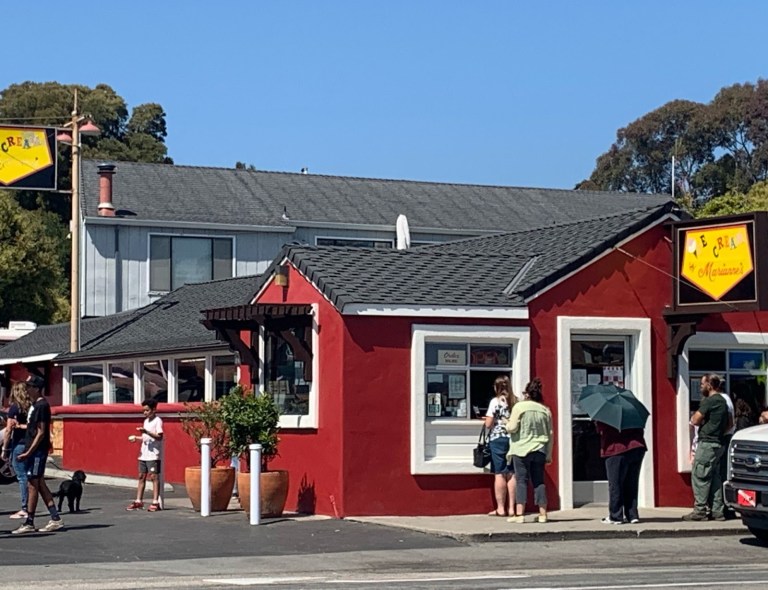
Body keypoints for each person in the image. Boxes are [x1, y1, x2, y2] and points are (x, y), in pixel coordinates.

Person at [14, 374, 64, 534]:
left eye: (29, 387)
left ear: (36, 388)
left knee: (32, 485)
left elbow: (41, 432)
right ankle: (55, 517)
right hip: (32, 450)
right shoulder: (34, 405)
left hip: (36, 452)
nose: (27, 389)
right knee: (39, 483)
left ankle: (30, 521)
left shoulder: (42, 406)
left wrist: (29, 452)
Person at [682, 373, 732, 522]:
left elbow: (696, 420)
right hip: (719, 444)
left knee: (700, 475)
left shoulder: (710, 401)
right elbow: (730, 423)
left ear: (710, 385)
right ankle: (718, 511)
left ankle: (700, 510)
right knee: (715, 477)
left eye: (703, 384)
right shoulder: (724, 401)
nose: (701, 387)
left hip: (707, 444)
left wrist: (694, 418)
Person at [505, 377, 553, 524]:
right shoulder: (545, 410)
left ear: (527, 394)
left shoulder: (519, 407)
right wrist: (549, 454)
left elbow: (512, 428)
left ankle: (520, 514)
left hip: (521, 448)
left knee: (522, 481)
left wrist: (506, 424)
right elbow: (550, 434)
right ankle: (543, 514)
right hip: (540, 448)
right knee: (539, 481)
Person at [595, 422, 646, 524]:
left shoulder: (607, 412)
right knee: (631, 482)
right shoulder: (632, 411)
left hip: (616, 449)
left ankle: (616, 516)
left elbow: (600, 429)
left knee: (615, 483)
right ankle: (632, 515)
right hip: (637, 447)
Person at [484, 375, 516, 517]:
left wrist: (486, 420)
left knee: (500, 473)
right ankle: (512, 508)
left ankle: (501, 508)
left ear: (497, 387)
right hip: (513, 439)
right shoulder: (515, 401)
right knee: (512, 473)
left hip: (497, 439)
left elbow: (489, 424)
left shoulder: (495, 402)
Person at [126, 398, 164, 512]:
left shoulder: (158, 421)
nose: (145, 413)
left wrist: (146, 432)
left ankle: (155, 502)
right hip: (144, 454)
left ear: (153, 410)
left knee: (154, 477)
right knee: (141, 476)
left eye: (147, 410)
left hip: (153, 454)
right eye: (144, 411)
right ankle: (138, 501)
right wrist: (137, 438)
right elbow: (145, 437)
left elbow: (159, 437)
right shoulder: (146, 421)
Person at [2, 382, 31, 520]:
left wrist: (5, 449)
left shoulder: (14, 408)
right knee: (34, 476)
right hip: (32, 444)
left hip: (19, 444)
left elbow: (8, 430)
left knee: (21, 476)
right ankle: (33, 504)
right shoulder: (33, 407)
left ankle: (25, 507)